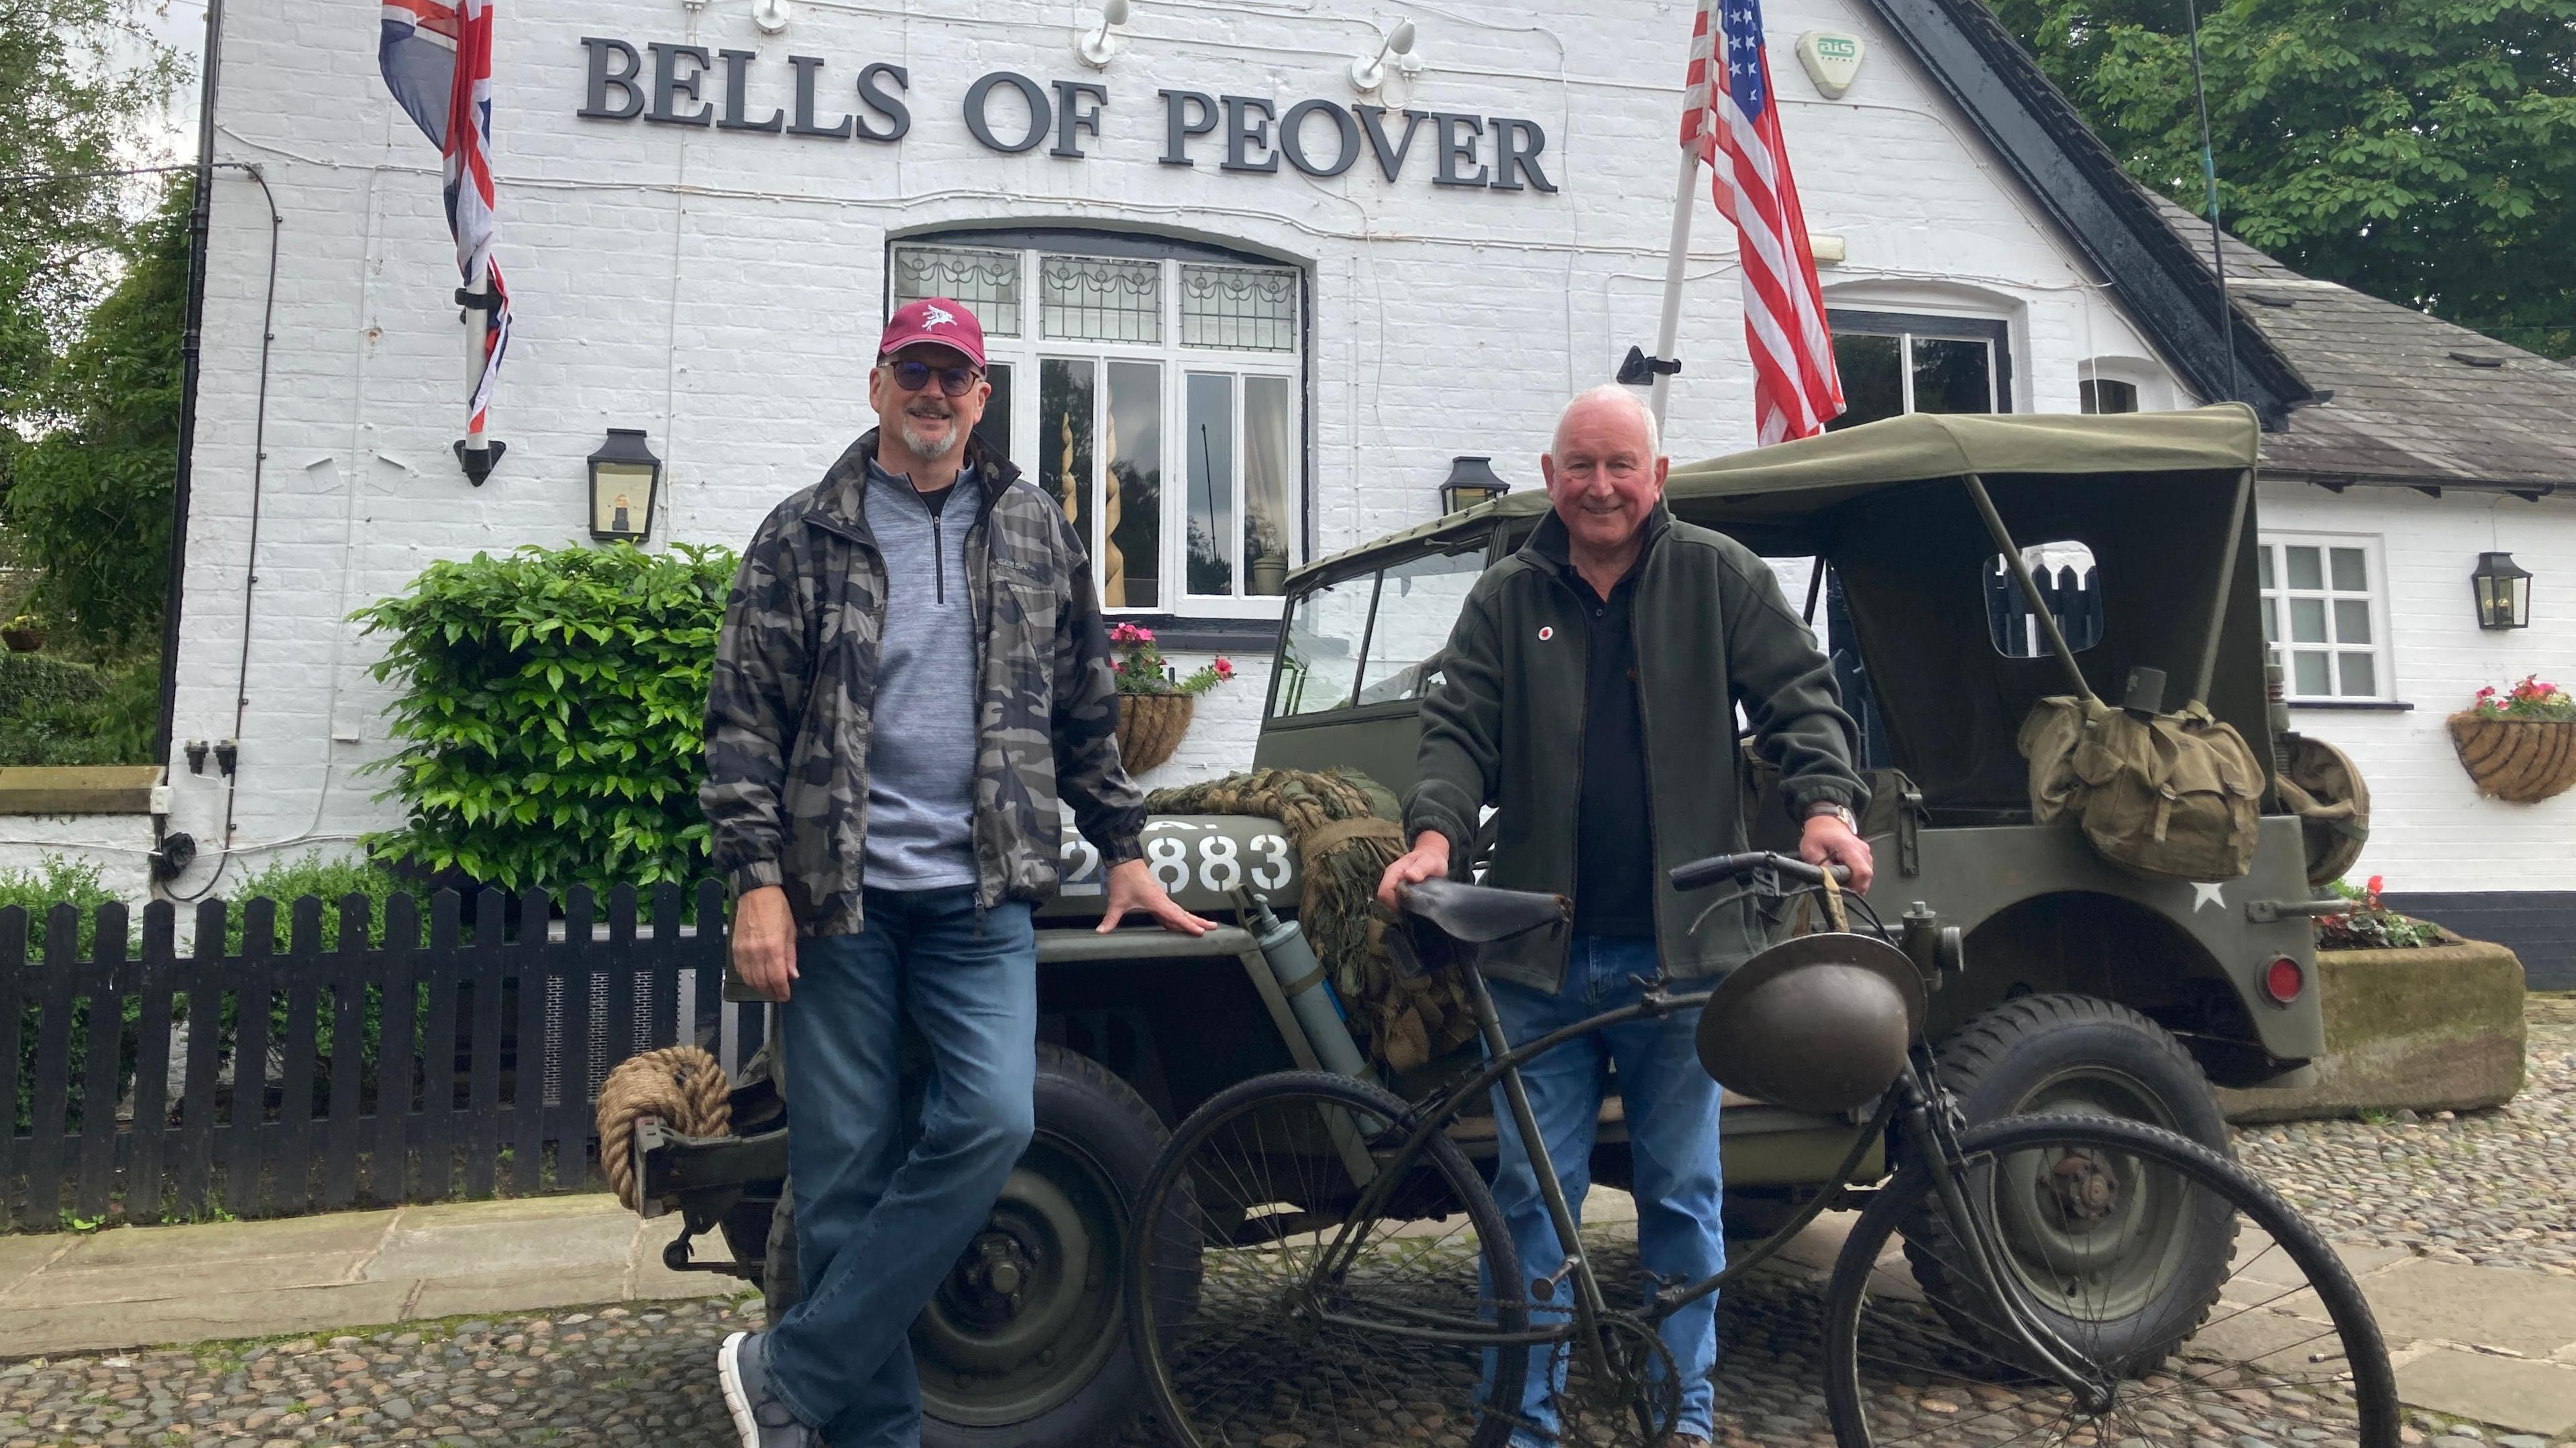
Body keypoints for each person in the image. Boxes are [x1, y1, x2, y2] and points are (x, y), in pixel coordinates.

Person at [702, 296, 1213, 1448]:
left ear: (983, 399)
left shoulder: (1036, 527)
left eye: (956, 376)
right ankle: (864, 1433)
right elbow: (742, 722)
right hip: (840, 902)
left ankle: (793, 1366)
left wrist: (1123, 849)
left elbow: (1087, 705)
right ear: (876, 385)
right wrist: (756, 878)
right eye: (913, 370)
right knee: (840, 1183)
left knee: (989, 1120)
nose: (934, 393)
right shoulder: (801, 533)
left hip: (982, 897)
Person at [1377, 384, 1872, 1448]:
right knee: (1528, 1205)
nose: (1601, 487)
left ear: (1659, 477)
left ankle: (1681, 1417)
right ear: (1550, 480)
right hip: (1537, 959)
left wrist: (1827, 807)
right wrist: (1434, 838)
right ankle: (1523, 1421)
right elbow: (1457, 729)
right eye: (1581, 467)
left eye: (1621, 465)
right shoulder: (1510, 595)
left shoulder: (1717, 577)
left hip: (1683, 953)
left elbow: (1800, 698)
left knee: (1684, 1197)